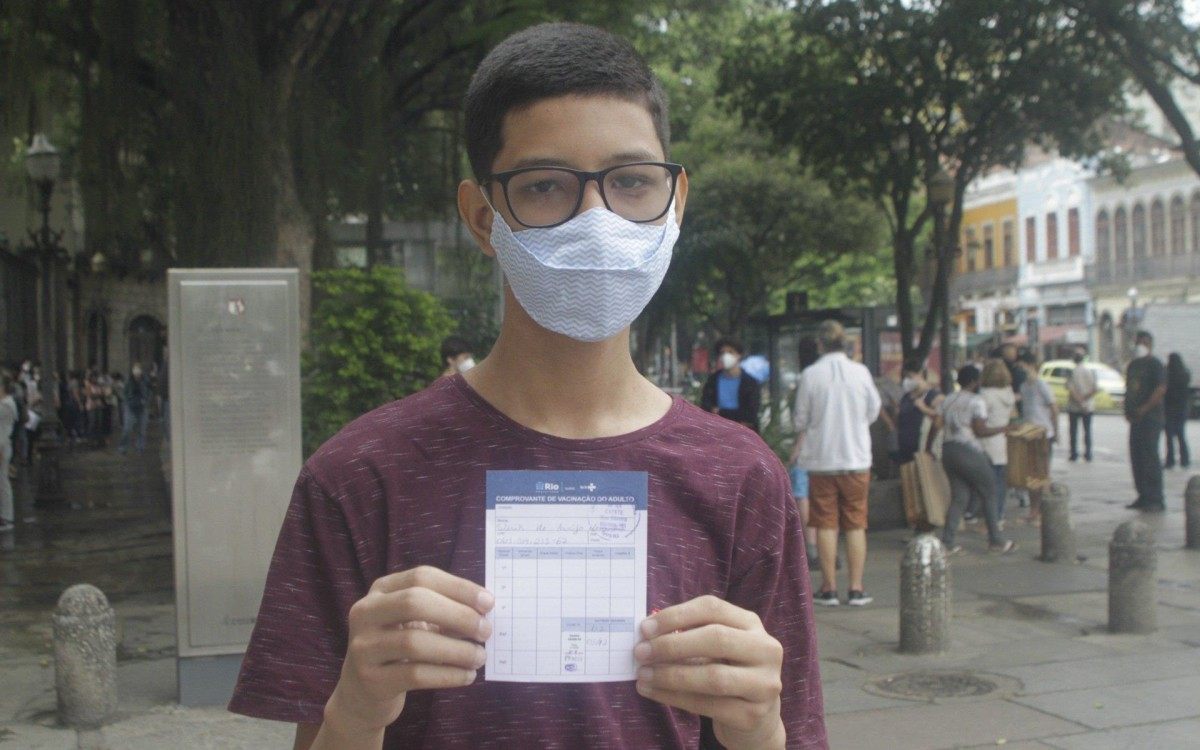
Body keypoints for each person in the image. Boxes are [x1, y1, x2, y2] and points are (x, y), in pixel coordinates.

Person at [230, 23, 825, 750]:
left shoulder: (741, 478)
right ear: (483, 217)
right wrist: (355, 710)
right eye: (545, 186)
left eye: (632, 181)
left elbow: (788, 730)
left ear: (675, 200)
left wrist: (759, 730)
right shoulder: (359, 476)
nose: (598, 219)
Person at [793, 320, 881, 607]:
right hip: (856, 458)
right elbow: (873, 409)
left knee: (825, 523)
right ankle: (856, 588)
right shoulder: (861, 372)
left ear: (820, 344)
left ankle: (828, 588)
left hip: (822, 460)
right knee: (856, 523)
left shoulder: (810, 375)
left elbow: (800, 419)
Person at [933, 365, 1016, 555]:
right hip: (968, 449)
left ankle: (948, 542)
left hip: (949, 449)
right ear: (973, 382)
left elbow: (936, 424)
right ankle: (996, 540)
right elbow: (980, 431)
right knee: (989, 490)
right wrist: (1004, 428)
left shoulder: (948, 399)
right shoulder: (976, 401)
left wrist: (930, 448)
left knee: (959, 497)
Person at [788, 337, 822, 567]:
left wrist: (795, 451)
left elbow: (802, 422)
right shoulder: (826, 379)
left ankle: (810, 547)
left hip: (807, 451)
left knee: (803, 497)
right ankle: (824, 548)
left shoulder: (807, 379)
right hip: (828, 453)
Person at [1125, 331, 1167, 512]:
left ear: (1149, 344)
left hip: (1151, 418)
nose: (1139, 346)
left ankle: (1155, 498)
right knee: (1137, 456)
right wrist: (1128, 410)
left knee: (1150, 456)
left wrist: (1145, 408)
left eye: (1142, 342)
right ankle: (1142, 494)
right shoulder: (1133, 365)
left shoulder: (1155, 364)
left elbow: (1161, 388)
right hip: (1135, 418)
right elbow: (1129, 389)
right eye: (1137, 342)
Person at [1018, 352, 1057, 523]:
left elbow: (1054, 408)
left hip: (1043, 433)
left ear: (1031, 365)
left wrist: (1056, 432)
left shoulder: (1042, 385)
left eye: (1022, 366)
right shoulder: (1024, 386)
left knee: (1042, 473)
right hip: (1028, 434)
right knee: (1031, 474)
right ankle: (1034, 510)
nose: (1020, 370)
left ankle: (1043, 511)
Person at [979, 359, 1016, 522]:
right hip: (1003, 442)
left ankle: (990, 517)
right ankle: (999, 516)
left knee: (988, 483)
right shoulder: (1009, 393)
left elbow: (980, 419)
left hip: (987, 440)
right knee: (1000, 482)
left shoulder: (984, 395)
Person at [700, 338, 761, 432]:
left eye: (730, 352)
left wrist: (720, 412)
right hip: (717, 430)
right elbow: (706, 407)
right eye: (722, 352)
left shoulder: (750, 382)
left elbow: (750, 413)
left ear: (739, 355)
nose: (725, 356)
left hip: (743, 432)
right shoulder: (712, 380)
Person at [890, 361, 941, 465]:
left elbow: (940, 418)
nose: (907, 380)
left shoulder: (933, 395)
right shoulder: (906, 397)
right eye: (905, 377)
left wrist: (924, 409)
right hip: (904, 449)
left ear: (921, 374)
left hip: (922, 449)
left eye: (910, 376)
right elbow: (898, 421)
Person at [1066, 348, 1097, 462]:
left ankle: (1074, 454)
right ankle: (1088, 454)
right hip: (1088, 406)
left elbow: (1071, 389)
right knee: (1087, 431)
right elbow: (1094, 388)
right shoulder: (1089, 371)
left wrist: (1079, 400)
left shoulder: (1072, 372)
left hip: (1074, 407)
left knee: (1073, 432)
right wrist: (1084, 399)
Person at [1164, 352, 1191, 469]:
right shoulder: (1185, 374)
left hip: (1169, 409)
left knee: (1169, 436)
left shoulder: (1168, 374)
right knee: (1181, 435)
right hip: (1182, 409)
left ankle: (1170, 461)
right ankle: (1185, 460)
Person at [118, 364, 150, 454]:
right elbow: (123, 392)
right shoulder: (128, 380)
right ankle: (123, 447)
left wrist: (146, 400)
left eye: (139, 370)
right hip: (130, 407)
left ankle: (140, 447)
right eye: (135, 370)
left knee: (142, 429)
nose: (137, 373)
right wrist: (127, 401)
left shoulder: (145, 380)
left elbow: (149, 391)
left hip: (142, 407)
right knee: (127, 429)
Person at [0, 375, 17, 530]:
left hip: (2, 446)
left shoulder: (6, 405)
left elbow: (3, 431)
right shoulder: (6, 403)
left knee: (2, 481)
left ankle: (6, 517)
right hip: (4, 445)